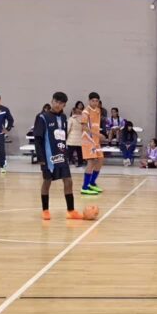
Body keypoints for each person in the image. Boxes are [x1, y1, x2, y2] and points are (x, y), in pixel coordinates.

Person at [34, 92, 83, 221]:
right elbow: (38, 139)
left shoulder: (63, 117)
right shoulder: (42, 117)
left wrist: (65, 153)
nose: (57, 105)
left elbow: (63, 137)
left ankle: (71, 211)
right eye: (56, 101)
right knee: (47, 181)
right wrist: (40, 158)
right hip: (48, 157)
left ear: (64, 105)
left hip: (61, 155)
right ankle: (45, 210)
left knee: (68, 181)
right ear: (52, 101)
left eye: (61, 103)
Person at [80, 92, 105, 195]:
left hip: (95, 140)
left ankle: (92, 183)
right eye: (93, 101)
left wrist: (98, 135)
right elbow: (84, 127)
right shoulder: (85, 112)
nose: (95, 103)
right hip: (88, 139)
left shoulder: (98, 110)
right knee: (91, 161)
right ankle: (84, 187)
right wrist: (97, 134)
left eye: (96, 101)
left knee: (100, 159)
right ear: (89, 101)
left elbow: (96, 125)